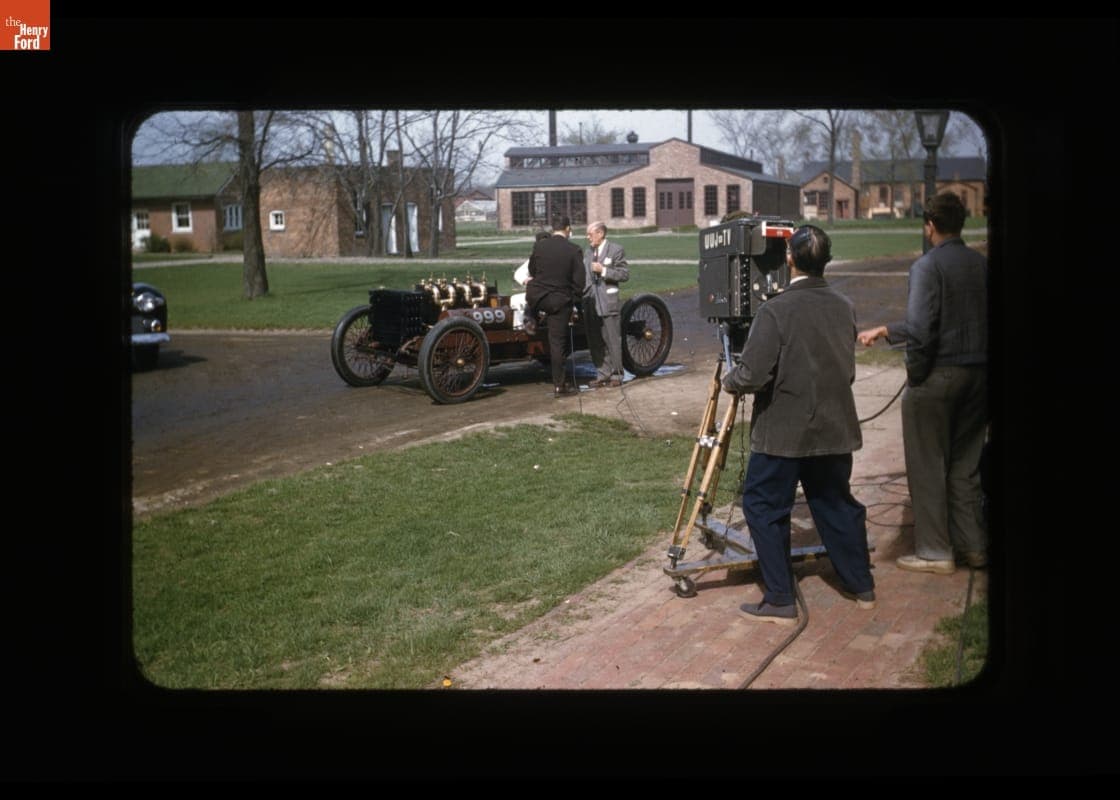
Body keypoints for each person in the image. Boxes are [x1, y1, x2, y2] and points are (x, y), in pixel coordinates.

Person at [722, 224, 875, 625]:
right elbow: (846, 368)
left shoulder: (776, 309)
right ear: (826, 261)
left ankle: (779, 598)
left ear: (789, 259)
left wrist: (729, 380)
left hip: (784, 435)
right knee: (834, 503)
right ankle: (861, 585)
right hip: (835, 427)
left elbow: (753, 375)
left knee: (762, 505)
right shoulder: (844, 305)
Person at [857, 191, 987, 575]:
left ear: (929, 226)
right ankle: (975, 546)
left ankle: (935, 551)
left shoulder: (927, 267)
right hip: (980, 377)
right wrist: (886, 329)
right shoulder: (981, 264)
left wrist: (916, 375)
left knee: (928, 465)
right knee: (965, 467)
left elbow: (921, 330)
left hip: (937, 377)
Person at [526, 217, 585, 397]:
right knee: (557, 343)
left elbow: (532, 269)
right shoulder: (574, 250)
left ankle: (531, 319)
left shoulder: (540, 246)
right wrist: (574, 300)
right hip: (559, 301)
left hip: (537, 297)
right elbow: (579, 282)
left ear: (553, 229)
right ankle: (560, 386)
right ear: (568, 229)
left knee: (533, 299)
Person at [582, 221, 630, 388]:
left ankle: (617, 374)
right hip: (591, 302)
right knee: (596, 340)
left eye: (590, 234)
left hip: (608, 302)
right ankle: (602, 374)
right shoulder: (588, 252)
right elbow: (586, 277)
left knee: (612, 339)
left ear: (600, 233)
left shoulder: (616, 250)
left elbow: (624, 274)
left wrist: (603, 271)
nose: (588, 237)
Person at [512, 230, 550, 329]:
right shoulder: (534, 258)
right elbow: (518, 273)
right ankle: (520, 328)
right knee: (515, 299)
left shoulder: (557, 257)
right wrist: (526, 280)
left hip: (552, 294)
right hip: (539, 293)